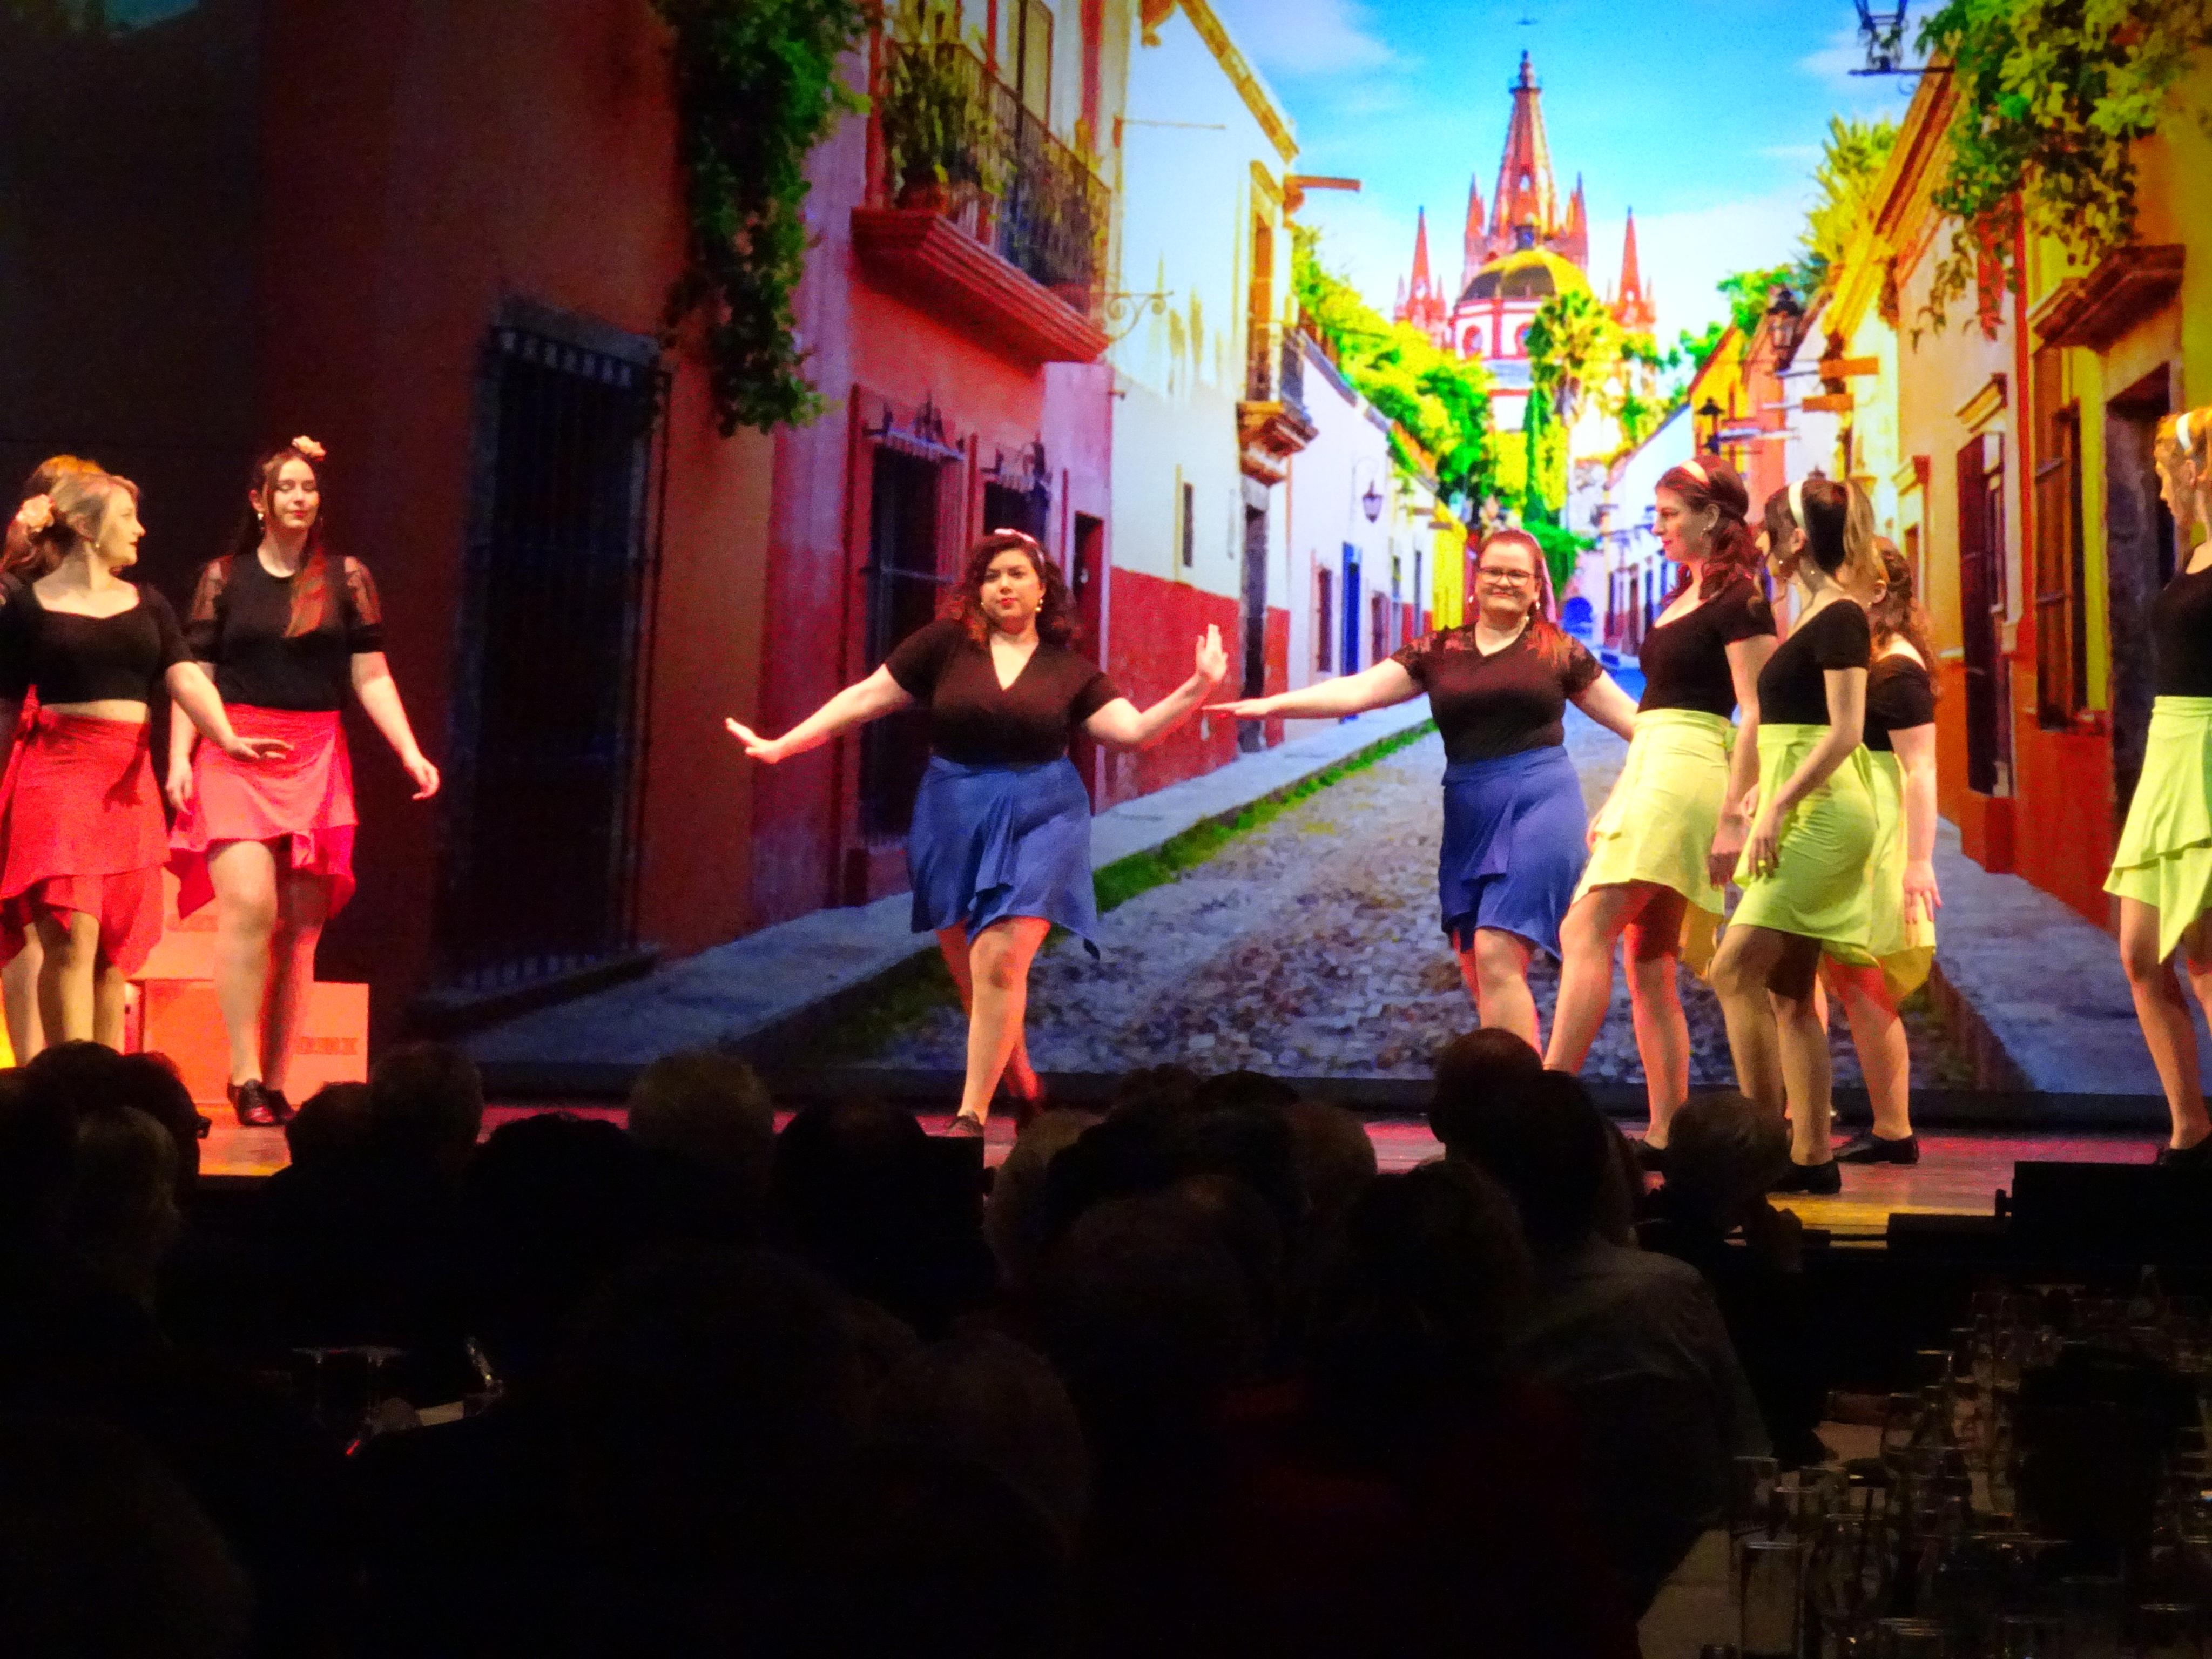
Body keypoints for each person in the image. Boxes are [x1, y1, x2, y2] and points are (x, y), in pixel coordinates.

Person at [727, 529, 1225, 1135]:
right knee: (977, 982)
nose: (1003, 585)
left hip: (1043, 816)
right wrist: (783, 745)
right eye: (991, 577)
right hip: (952, 815)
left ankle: (970, 1116)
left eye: (1017, 574)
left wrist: (1198, 686)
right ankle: (1026, 1087)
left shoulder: (1070, 672)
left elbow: (1135, 732)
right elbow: (864, 698)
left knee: (1000, 961)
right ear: (977, 592)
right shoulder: (943, 647)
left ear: (1042, 591)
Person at [1212, 530, 1637, 1045]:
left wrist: (1637, 790)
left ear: (1535, 587)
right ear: (1476, 581)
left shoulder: (1558, 651)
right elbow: (1359, 691)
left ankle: (1521, 1088)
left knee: (1497, 949)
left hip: (1542, 801)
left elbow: (1637, 724)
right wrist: (1271, 706)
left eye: (1517, 574)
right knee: (1475, 962)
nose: (1504, 582)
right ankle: (1513, 1070)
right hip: (1468, 810)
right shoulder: (1440, 651)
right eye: (1494, 571)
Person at [169, 438, 440, 1128]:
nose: (299, 498)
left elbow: (370, 673)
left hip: (316, 752)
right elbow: (193, 675)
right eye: (286, 487)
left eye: (308, 488)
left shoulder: (346, 577)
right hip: (236, 748)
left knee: (301, 929)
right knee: (250, 909)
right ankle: (243, 1074)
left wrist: (409, 751)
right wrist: (179, 757)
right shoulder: (223, 578)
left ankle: (279, 1078)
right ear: (258, 501)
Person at [0, 471, 284, 1050]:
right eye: (127, 517)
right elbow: (4, 706)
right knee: (70, 938)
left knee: (113, 952)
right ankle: (67, 1081)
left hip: (128, 785)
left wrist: (226, 737)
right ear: (86, 527)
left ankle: (106, 1087)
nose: (141, 529)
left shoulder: (148, 603)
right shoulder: (29, 607)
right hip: (58, 777)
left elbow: (185, 676)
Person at [1546, 458, 1778, 1154]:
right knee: (1647, 960)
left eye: (1669, 514)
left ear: (1711, 516)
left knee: (1583, 930)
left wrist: (1736, 814)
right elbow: (1654, 711)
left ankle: (1540, 1104)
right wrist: (1621, 793)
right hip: (1656, 765)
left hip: (1691, 771)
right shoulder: (1686, 594)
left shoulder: (1741, 600)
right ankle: (1667, 1128)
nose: (1657, 527)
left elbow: (1756, 711)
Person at [1707, 477, 1882, 1194]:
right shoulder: (1812, 611)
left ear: (1799, 538)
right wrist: (1764, 789)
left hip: (1825, 816)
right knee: (1787, 992)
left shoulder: (1840, 615)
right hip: (1801, 806)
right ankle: (1812, 1157)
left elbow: (1845, 732)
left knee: (1732, 971)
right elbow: (1798, 727)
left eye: (1770, 526)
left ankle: (1761, 1145)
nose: (1760, 538)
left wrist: (1778, 802)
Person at [2108, 405, 2212, 1166]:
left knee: (2206, 957)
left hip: (2205, 751)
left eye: (2167, 471)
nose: (2162, 486)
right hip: (2170, 752)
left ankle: (2190, 1138)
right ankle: (2192, 1127)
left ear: (2198, 471)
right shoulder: (2198, 554)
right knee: (2141, 952)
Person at [1824, 538, 1940, 1164]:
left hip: (1878, 831)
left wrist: (1917, 861)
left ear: (1877, 591)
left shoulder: (1895, 667)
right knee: (1845, 975)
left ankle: (1894, 1129)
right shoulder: (1869, 655)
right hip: (1856, 824)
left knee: (1862, 977)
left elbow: (1920, 768)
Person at [0, 456, 105, 1064]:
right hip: (22, 741)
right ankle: (30, 1063)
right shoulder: (16, 589)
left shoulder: (98, 589)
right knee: (21, 912)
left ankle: (67, 1064)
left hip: (72, 754)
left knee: (65, 917)